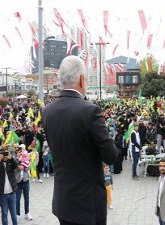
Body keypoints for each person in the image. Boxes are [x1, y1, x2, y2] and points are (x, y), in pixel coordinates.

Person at [42, 55, 118, 225]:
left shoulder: (47, 112)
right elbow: (111, 156)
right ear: (82, 79)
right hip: (88, 206)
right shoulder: (90, 111)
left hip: (63, 202)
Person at [0, 148, 18, 225]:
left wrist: (11, 158)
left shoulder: (10, 162)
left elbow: (16, 165)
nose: (4, 155)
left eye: (5, 153)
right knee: (4, 213)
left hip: (12, 193)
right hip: (2, 194)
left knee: (13, 213)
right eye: (2, 154)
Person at [15, 148, 33, 222]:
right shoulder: (14, 159)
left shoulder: (25, 158)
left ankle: (27, 213)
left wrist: (24, 167)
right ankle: (17, 214)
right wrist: (17, 162)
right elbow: (12, 168)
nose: (20, 153)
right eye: (19, 152)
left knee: (27, 198)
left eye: (21, 151)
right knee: (17, 199)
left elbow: (29, 165)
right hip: (18, 182)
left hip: (25, 181)